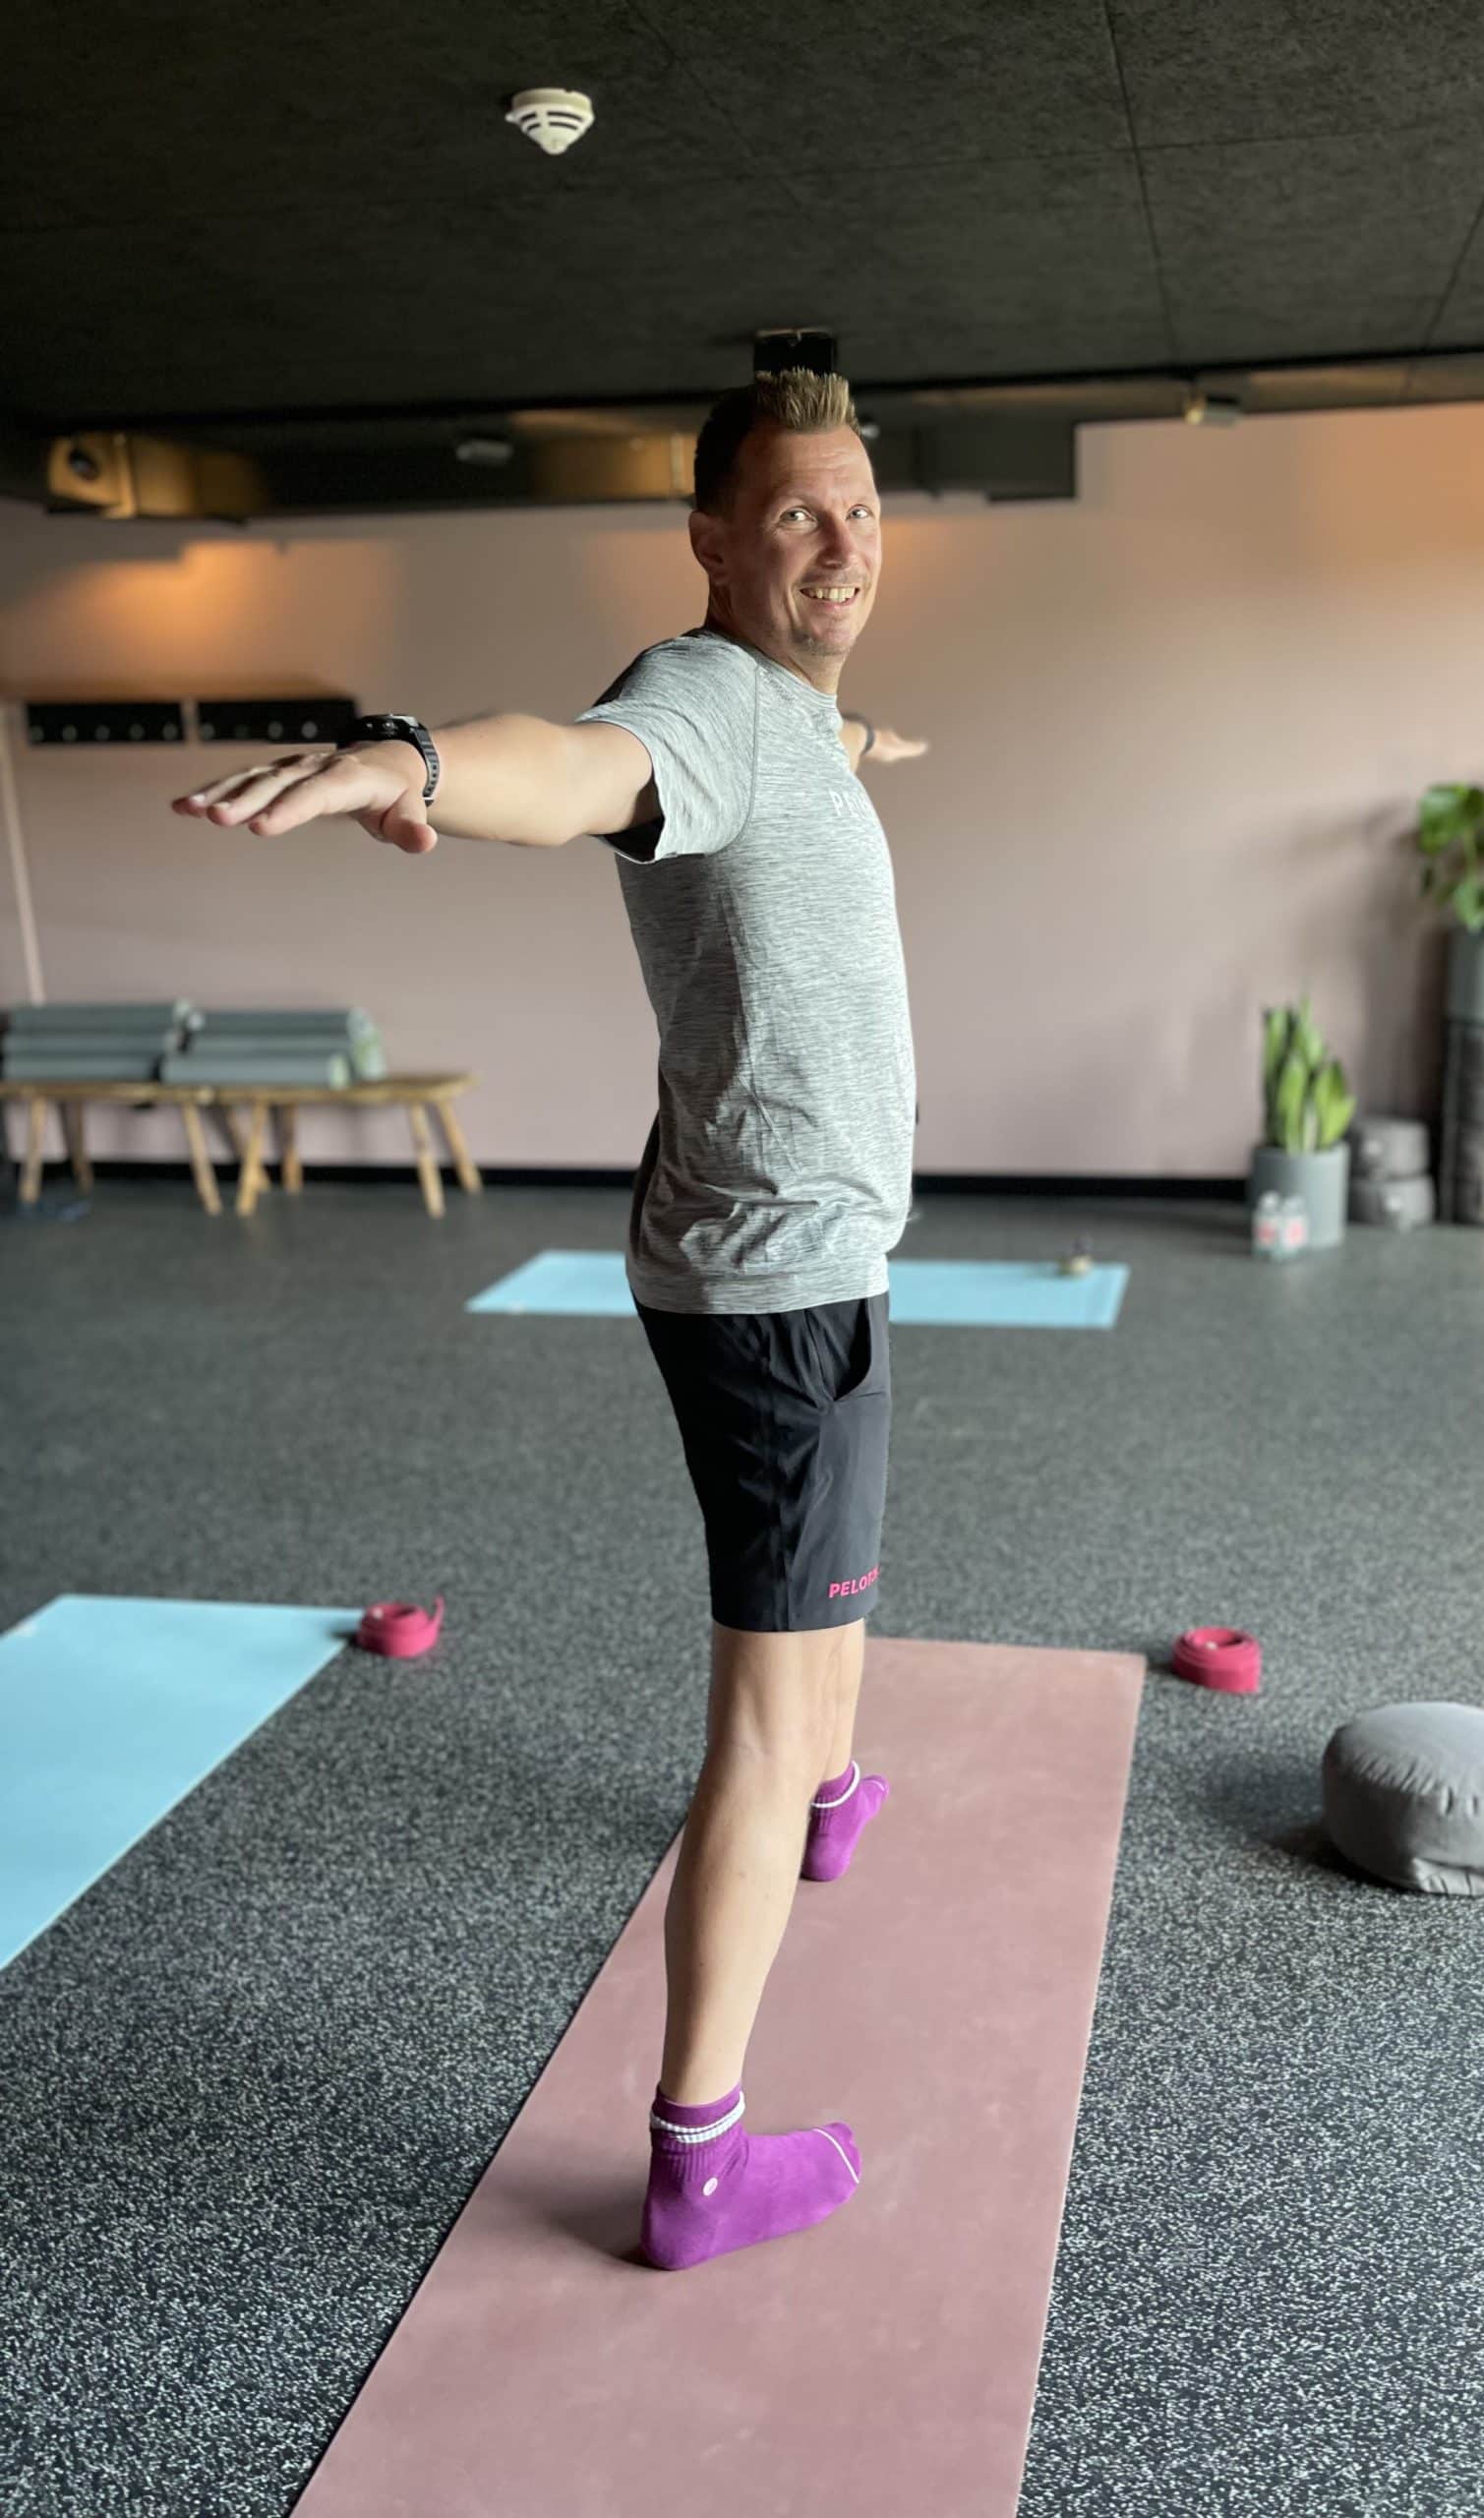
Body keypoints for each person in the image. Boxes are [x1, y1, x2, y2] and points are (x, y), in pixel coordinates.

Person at [171, 367, 927, 2271]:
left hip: (777, 1262)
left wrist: (859, 747)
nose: (841, 545)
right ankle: (699, 2151)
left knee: (826, 1603)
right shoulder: (706, 707)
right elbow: (579, 760)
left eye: (860, 509)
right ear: (712, 541)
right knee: (761, 1699)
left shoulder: (792, 726)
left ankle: (833, 1787)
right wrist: (418, 761)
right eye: (794, 518)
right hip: (778, 1285)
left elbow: (784, 760)